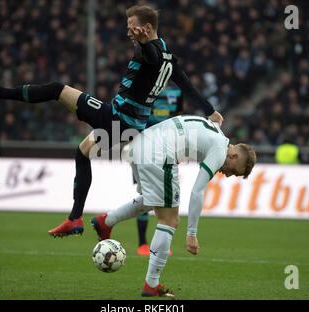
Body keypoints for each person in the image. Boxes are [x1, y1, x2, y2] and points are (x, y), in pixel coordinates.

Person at [0, 5, 223, 238]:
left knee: (56, 89)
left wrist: (145, 42)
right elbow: (187, 86)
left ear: (146, 28)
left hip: (117, 119)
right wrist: (210, 110)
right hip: (129, 125)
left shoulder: (152, 52)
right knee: (83, 152)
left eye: (132, 27)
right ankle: (75, 219)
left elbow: (151, 55)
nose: (128, 32)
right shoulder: (169, 57)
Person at [91, 115, 256, 297]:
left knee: (153, 199)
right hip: (159, 154)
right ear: (234, 155)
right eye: (233, 171)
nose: (227, 174)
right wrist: (191, 234)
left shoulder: (216, 132)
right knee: (170, 220)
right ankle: (151, 285)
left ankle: (106, 221)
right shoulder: (219, 151)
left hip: (139, 145)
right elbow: (197, 192)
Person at [135, 83, 182, 255]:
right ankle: (142, 244)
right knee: (145, 196)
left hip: (167, 152)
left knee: (163, 197)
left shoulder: (176, 94)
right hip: (143, 150)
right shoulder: (145, 92)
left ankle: (161, 244)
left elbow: (178, 121)